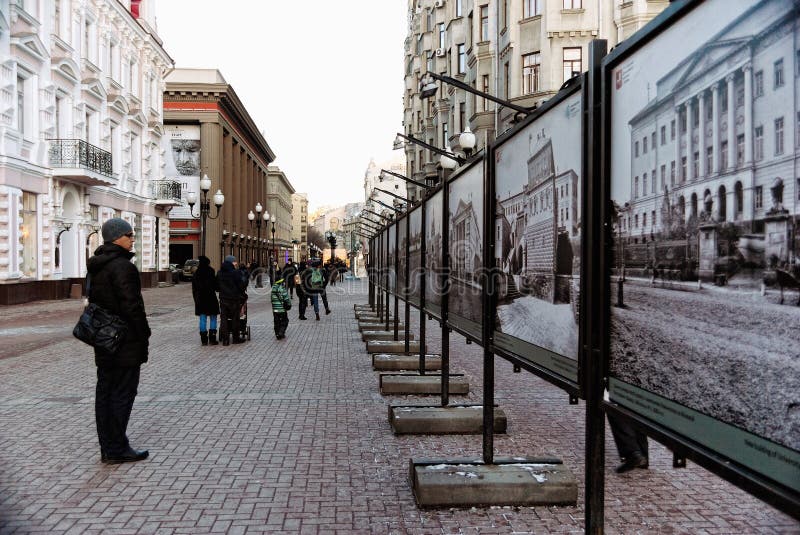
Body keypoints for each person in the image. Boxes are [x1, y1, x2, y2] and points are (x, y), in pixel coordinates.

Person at [87, 218, 151, 464]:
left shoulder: (96, 266)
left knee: (104, 393)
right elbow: (131, 306)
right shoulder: (123, 267)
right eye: (129, 234)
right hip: (125, 341)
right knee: (123, 393)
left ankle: (108, 446)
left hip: (103, 339)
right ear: (116, 237)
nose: (132, 238)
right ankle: (117, 447)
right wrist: (143, 333)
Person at [217, 255, 247, 345]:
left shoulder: (219, 273)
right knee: (235, 318)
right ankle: (235, 338)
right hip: (234, 299)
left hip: (223, 299)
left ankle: (225, 340)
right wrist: (242, 293)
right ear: (230, 262)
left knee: (224, 318)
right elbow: (241, 285)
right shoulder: (236, 273)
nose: (236, 263)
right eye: (234, 262)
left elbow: (216, 286)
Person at [191, 256, 219, 346]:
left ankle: (203, 340)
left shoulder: (196, 273)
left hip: (200, 299)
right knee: (213, 318)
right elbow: (215, 286)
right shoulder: (211, 271)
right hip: (211, 298)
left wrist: (196, 299)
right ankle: (212, 338)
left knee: (202, 319)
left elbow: (194, 289)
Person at [270, 274, 291, 339]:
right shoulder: (282, 288)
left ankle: (277, 334)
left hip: (275, 309)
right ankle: (281, 332)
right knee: (285, 321)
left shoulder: (273, 288)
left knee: (276, 322)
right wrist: (289, 304)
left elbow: (272, 299)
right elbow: (286, 298)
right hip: (282, 309)